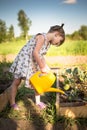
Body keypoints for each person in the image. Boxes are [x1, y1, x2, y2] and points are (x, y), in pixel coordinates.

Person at [9, 23, 65, 110]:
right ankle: (12, 103)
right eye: (58, 41)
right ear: (56, 34)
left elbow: (41, 56)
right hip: (25, 60)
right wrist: (42, 67)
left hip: (34, 61)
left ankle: (38, 102)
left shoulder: (48, 43)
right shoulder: (42, 37)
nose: (57, 44)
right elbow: (35, 52)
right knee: (17, 81)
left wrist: (46, 66)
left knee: (38, 82)